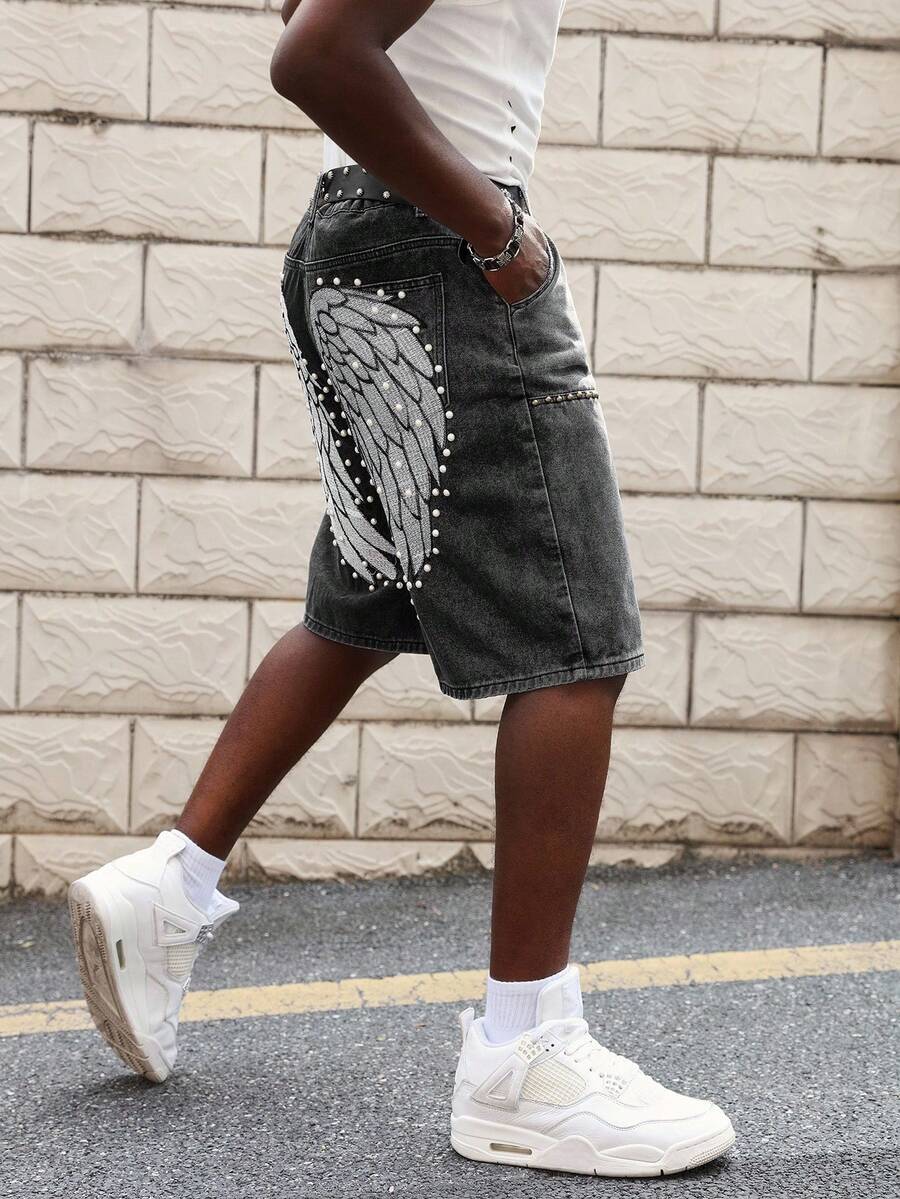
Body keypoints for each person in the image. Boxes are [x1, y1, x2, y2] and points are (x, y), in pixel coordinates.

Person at [67, 0, 734, 1178]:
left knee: (367, 592)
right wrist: (498, 232)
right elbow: (315, 53)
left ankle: (168, 885)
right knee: (575, 635)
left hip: (363, 236)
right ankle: (525, 1054)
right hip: (440, 247)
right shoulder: (471, 230)